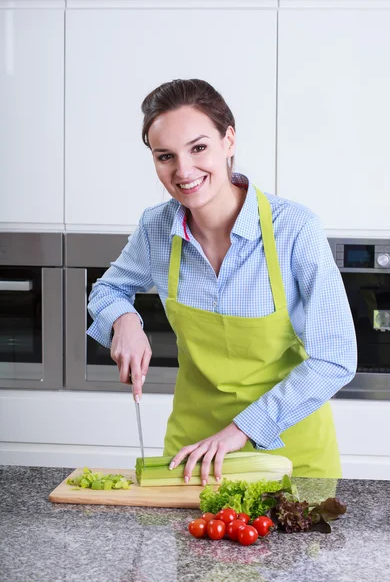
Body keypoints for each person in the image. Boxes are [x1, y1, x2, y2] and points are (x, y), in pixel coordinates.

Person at [87, 78, 357, 484]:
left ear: (228, 140)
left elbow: (335, 357)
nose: (183, 171)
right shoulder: (155, 230)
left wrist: (242, 430)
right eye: (165, 156)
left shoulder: (294, 231)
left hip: (288, 454)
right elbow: (108, 290)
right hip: (193, 455)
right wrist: (123, 320)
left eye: (198, 148)